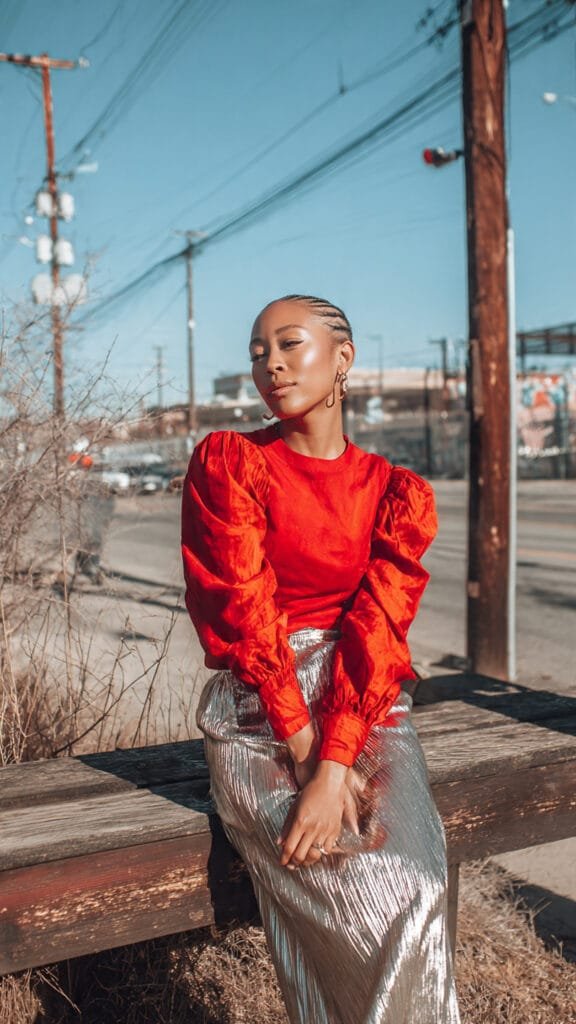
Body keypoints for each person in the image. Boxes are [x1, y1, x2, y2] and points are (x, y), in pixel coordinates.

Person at [181, 294, 460, 1024]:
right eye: (258, 352)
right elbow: (245, 610)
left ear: (343, 359)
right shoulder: (233, 464)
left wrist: (336, 763)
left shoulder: (394, 490)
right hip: (261, 710)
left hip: (363, 700)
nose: (270, 364)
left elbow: (381, 627)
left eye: (289, 344)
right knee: (351, 886)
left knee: (418, 883)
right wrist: (308, 757)